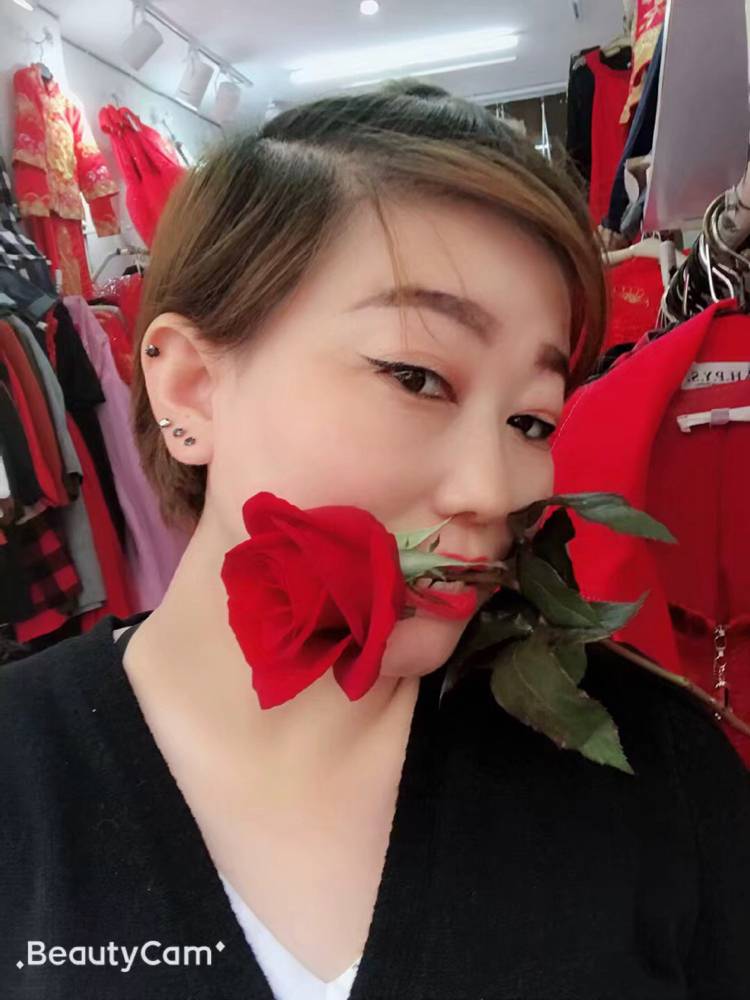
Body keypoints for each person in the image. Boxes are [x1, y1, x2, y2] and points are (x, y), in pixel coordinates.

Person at [1, 83, 749, 1000]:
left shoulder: (653, 770)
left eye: (531, 420)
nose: (493, 491)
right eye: (417, 377)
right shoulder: (22, 777)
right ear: (191, 386)